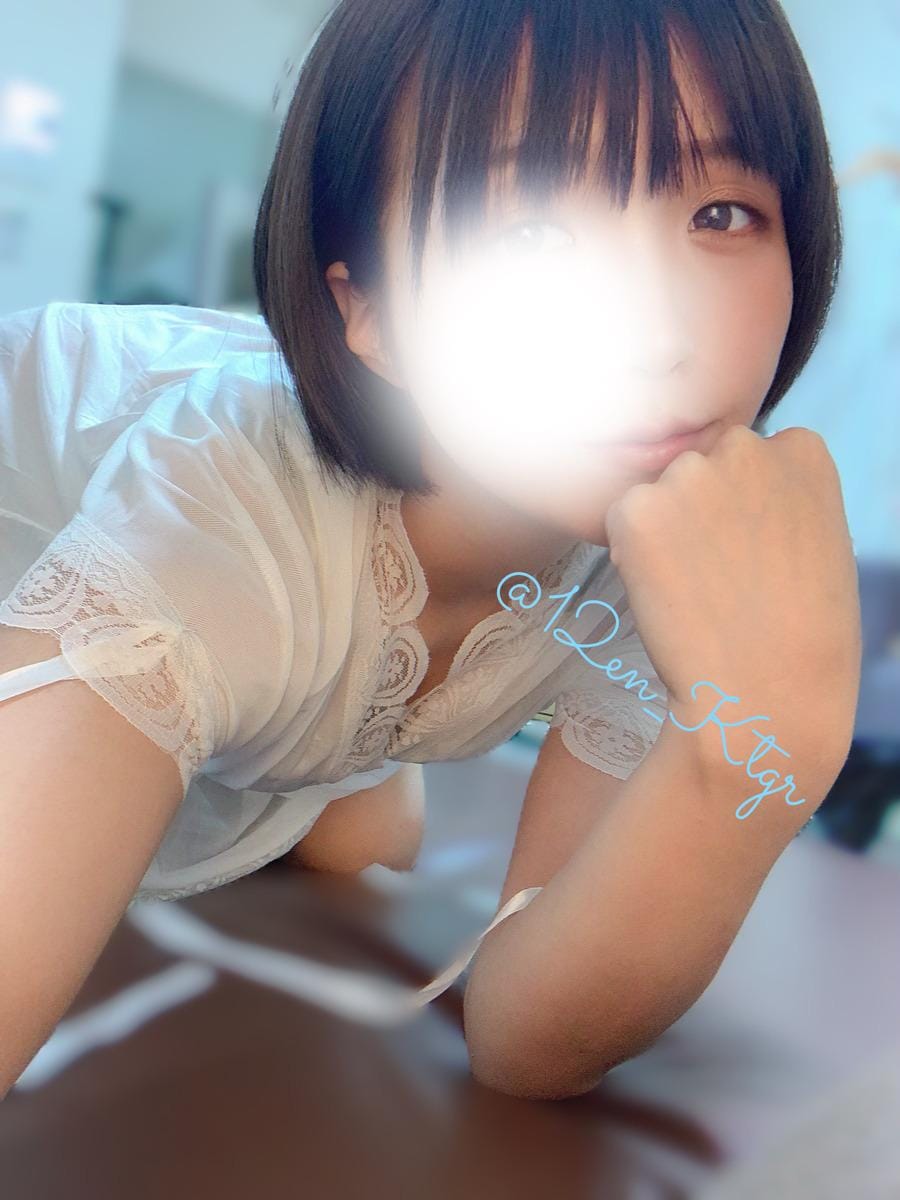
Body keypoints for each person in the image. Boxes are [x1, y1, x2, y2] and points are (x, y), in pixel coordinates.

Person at [0, 0, 861, 1100]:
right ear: (368, 311)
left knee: (360, 836)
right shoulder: (215, 514)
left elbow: (525, 1039)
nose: (662, 338)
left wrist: (761, 747)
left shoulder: (665, 535)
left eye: (720, 213)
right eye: (532, 235)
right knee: (348, 825)